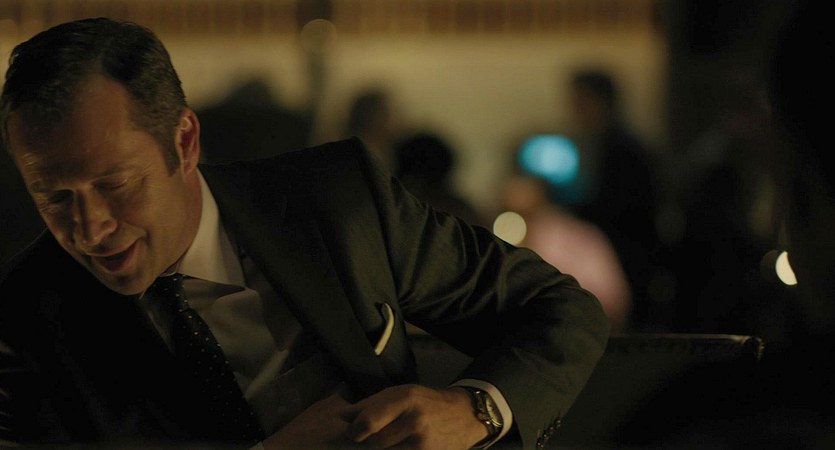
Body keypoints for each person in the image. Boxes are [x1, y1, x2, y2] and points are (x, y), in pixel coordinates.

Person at [0, 18, 609, 450]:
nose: (89, 229)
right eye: (54, 197)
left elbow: (558, 307)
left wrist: (472, 409)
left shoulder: (337, 204)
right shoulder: (24, 319)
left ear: (183, 142)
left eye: (114, 184)